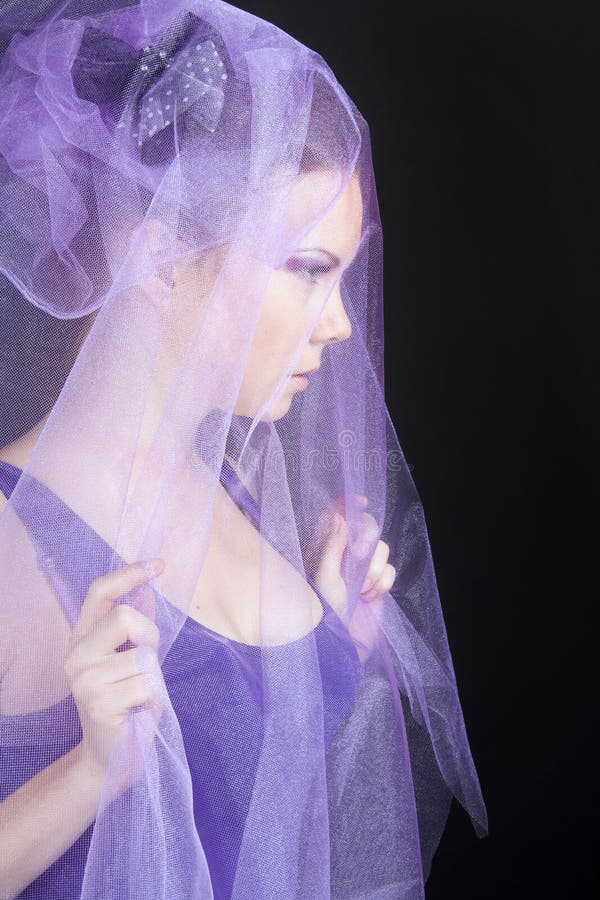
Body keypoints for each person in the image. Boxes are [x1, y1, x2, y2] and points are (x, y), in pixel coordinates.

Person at [0, 2, 487, 898]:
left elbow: (257, 810)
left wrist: (330, 642)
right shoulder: (11, 538)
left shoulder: (236, 484)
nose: (341, 323)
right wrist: (84, 777)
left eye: (345, 275)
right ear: (164, 261)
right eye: (308, 270)